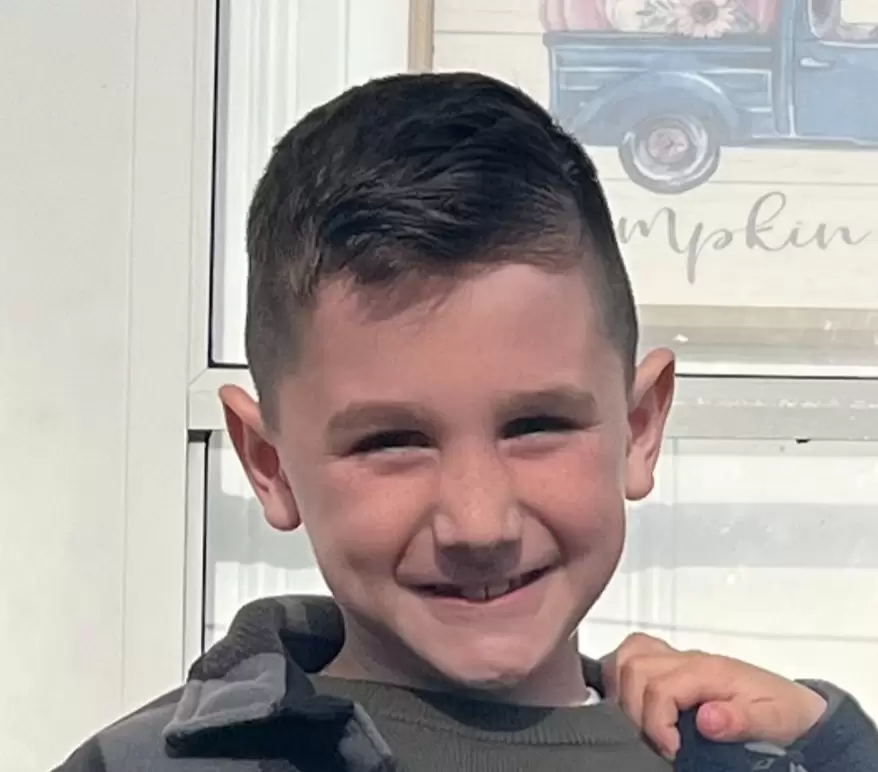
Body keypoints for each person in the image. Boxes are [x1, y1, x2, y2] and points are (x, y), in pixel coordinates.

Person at [55, 72, 877, 772]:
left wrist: (839, 749)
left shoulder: (747, 755)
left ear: (639, 425)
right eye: (391, 442)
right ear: (269, 465)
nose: (479, 523)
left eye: (537, 425)